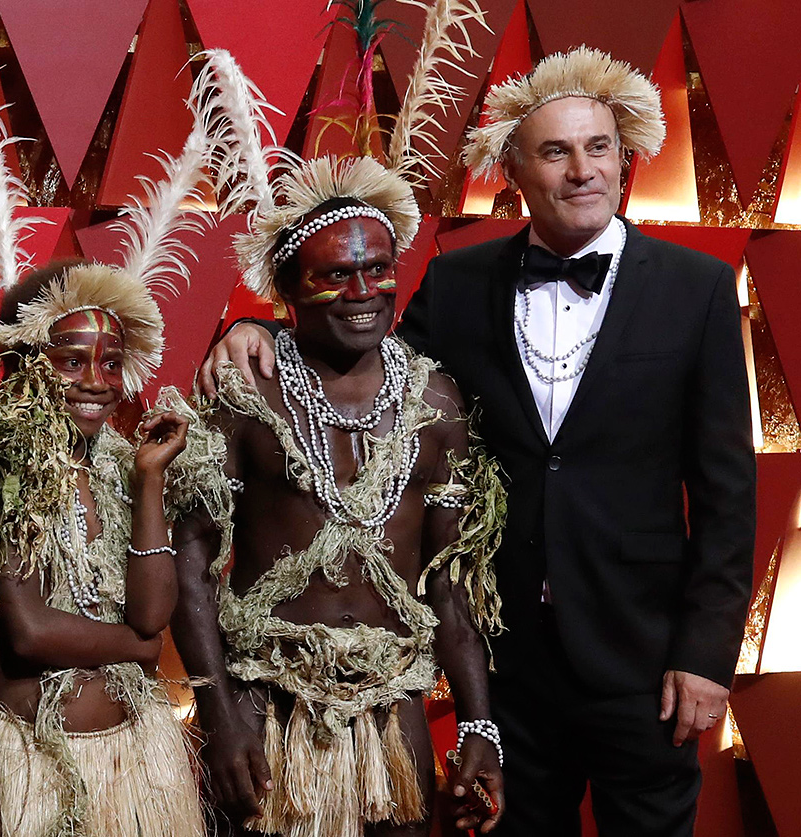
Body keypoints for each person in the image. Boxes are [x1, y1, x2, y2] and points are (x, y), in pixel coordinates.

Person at [204, 47, 756, 836]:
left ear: (623, 157)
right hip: (506, 659)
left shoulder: (695, 288)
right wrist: (254, 328)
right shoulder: (459, 282)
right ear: (514, 171)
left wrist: (706, 653)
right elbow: (364, 358)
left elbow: (728, 493)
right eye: (556, 152)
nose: (583, 170)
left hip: (644, 657)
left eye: (598, 147)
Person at [171, 151, 507, 837]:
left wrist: (479, 724)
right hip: (269, 705)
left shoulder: (436, 403)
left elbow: (451, 586)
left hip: (394, 714)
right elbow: (191, 562)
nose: (363, 290)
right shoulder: (246, 394)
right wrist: (220, 715)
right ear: (287, 288)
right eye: (336, 275)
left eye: (378, 268)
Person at [0, 86, 206, 836]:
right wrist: (139, 648)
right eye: (71, 359)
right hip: (36, 765)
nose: (94, 381)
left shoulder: (120, 460)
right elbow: (27, 630)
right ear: (27, 361)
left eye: (111, 362)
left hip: (136, 759)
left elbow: (153, 611)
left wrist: (149, 479)